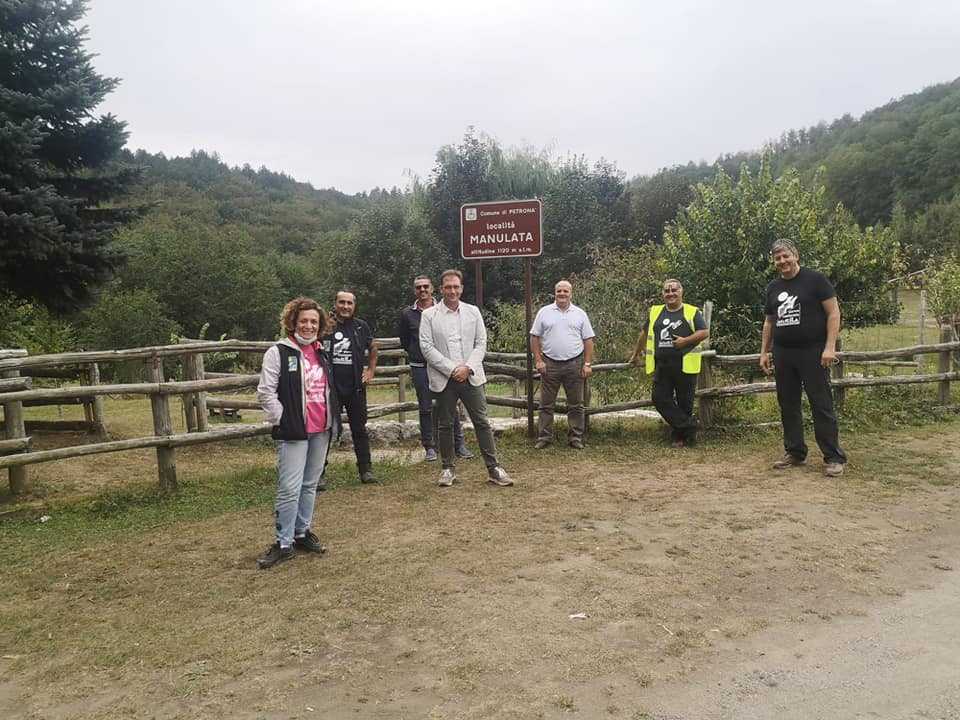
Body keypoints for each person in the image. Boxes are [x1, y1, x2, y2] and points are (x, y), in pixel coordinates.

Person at [255, 297, 338, 569]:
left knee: (309, 484)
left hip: (320, 429)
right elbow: (265, 392)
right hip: (294, 431)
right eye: (303, 320)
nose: (309, 325)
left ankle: (302, 533)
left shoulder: (321, 352)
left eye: (314, 321)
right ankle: (283, 541)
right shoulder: (278, 352)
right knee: (289, 487)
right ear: (293, 322)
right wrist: (284, 419)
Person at [419, 269, 514, 488]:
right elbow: (426, 347)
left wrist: (468, 367)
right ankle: (447, 469)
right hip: (445, 377)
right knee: (445, 424)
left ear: (461, 288)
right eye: (448, 287)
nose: (452, 291)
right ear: (441, 289)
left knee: (481, 421)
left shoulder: (473, 312)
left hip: (471, 377)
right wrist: (452, 369)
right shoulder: (429, 315)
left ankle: (494, 469)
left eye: (456, 287)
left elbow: (481, 343)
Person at [760, 239, 847, 477]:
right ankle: (795, 452)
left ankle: (833, 457)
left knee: (821, 403)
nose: (782, 261)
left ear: (795, 255)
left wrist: (829, 347)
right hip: (784, 353)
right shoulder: (773, 288)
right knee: (788, 404)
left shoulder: (816, 280)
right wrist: (764, 351)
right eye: (777, 258)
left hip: (813, 352)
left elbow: (833, 313)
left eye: (786, 256)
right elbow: (769, 322)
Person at [397, 275, 474, 462]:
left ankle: (459, 444)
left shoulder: (443, 309)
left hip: (444, 367)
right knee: (425, 406)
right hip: (420, 366)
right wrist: (419, 354)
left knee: (450, 405)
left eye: (425, 287)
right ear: (414, 290)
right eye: (418, 287)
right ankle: (430, 446)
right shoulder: (407, 314)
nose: (422, 290)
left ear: (433, 289)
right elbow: (405, 341)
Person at [630, 279, 708, 447]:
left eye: (674, 290)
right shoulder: (655, 312)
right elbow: (643, 334)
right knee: (659, 398)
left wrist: (685, 341)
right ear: (662, 294)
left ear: (681, 292)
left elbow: (704, 332)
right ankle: (691, 426)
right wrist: (636, 354)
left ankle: (681, 438)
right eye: (667, 290)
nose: (670, 293)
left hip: (685, 364)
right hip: (662, 365)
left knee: (684, 402)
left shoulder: (692, 311)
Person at [530, 279, 596, 449]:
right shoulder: (544, 312)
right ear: (555, 292)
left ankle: (575, 437)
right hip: (549, 364)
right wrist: (538, 360)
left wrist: (587, 363)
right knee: (545, 404)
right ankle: (544, 437)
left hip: (574, 363)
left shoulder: (580, 313)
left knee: (576, 404)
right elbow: (534, 337)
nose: (562, 294)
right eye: (559, 291)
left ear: (571, 294)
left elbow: (588, 339)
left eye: (565, 291)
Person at [324, 290, 379, 484]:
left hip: (356, 387)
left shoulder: (360, 327)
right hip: (330, 389)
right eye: (342, 302)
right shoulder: (325, 325)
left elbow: (373, 347)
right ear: (335, 303)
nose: (345, 306)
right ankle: (318, 474)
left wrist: (371, 370)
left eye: (349, 303)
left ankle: (366, 470)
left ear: (354, 306)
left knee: (359, 429)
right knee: (326, 430)